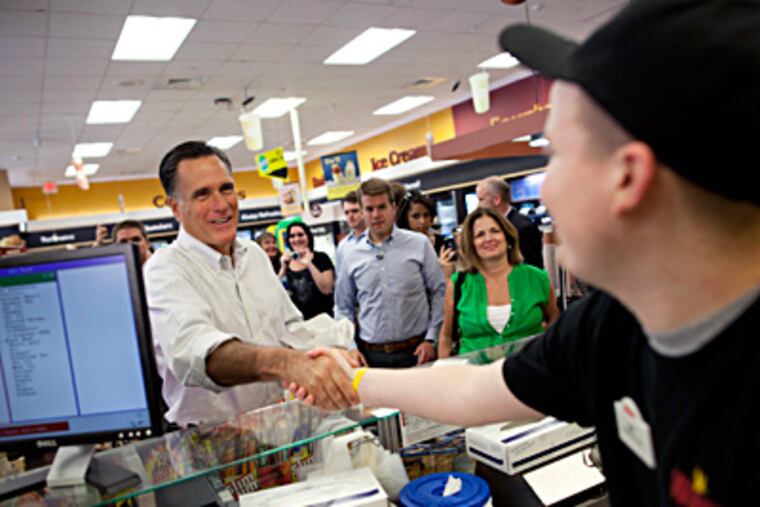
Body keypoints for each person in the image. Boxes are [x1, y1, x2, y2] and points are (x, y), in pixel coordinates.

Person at [301, 2, 760, 505]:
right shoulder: (612, 325)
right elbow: (479, 391)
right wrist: (356, 380)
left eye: (557, 154)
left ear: (627, 178)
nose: (543, 195)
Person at [143, 141, 357, 427]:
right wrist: (287, 364)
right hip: (213, 444)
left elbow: (289, 329)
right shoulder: (165, 268)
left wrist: (335, 346)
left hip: (278, 427)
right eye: (202, 194)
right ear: (176, 208)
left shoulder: (253, 255)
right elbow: (197, 354)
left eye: (226, 189)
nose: (221, 205)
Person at [334, 178, 446, 368]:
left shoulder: (419, 244)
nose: (376, 214)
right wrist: (350, 346)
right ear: (362, 211)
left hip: (417, 352)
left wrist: (431, 339)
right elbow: (343, 307)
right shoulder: (350, 254)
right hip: (371, 356)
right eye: (369, 209)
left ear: (393, 207)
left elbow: (438, 292)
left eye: (382, 207)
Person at [438, 208, 559, 357]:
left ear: (507, 236)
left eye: (495, 231)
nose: (489, 238)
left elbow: (556, 324)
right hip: (475, 376)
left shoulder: (537, 277)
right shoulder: (458, 283)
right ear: (471, 244)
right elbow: (446, 337)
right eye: (480, 235)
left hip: (531, 372)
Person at [476, 176, 544, 269]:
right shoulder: (497, 226)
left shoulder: (522, 228)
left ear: (496, 200)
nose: (478, 206)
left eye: (481, 199)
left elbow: (531, 268)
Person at [278, 221, 335, 320]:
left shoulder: (321, 258)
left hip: (324, 319)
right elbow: (277, 293)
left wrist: (309, 263)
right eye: (292, 236)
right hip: (298, 322)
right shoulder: (285, 262)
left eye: (300, 235)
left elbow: (326, 289)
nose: (297, 239)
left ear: (308, 236)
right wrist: (283, 269)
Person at [335, 190, 366, 274]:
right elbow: (340, 278)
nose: (350, 216)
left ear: (364, 211)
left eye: (355, 211)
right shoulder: (342, 246)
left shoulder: (377, 238)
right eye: (347, 212)